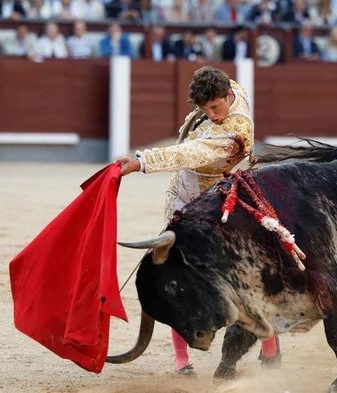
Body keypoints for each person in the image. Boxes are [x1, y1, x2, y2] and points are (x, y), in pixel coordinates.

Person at [115, 66, 281, 377]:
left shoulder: (235, 131)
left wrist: (141, 162)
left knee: (243, 278)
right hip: (184, 198)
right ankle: (181, 360)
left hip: (220, 209)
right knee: (174, 275)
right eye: (205, 110)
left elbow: (190, 153)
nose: (213, 115)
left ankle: (270, 347)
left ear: (229, 97)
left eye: (216, 108)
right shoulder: (227, 89)